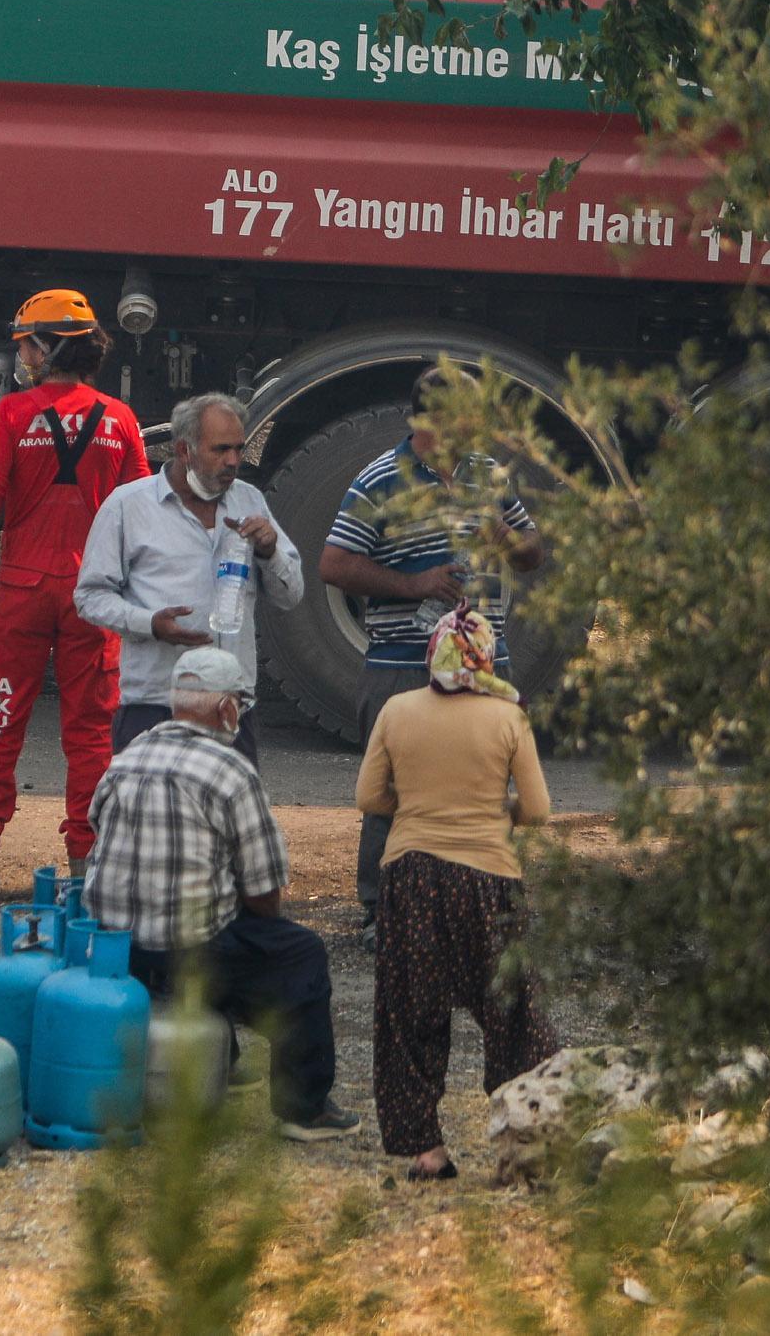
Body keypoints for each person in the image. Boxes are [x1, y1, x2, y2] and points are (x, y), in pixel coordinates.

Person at [87, 646, 361, 1141]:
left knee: (207, 916)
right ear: (228, 709)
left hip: (112, 949)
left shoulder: (126, 760)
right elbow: (263, 892)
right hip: (185, 953)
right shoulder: (230, 771)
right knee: (297, 954)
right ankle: (305, 1109)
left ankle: (224, 1059)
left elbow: (95, 830)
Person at [318, 367, 543, 932]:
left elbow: (533, 551)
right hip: (402, 662)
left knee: (490, 779)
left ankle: (487, 902)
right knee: (391, 787)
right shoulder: (379, 481)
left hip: (485, 663)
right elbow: (334, 565)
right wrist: (413, 585)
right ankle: (381, 910)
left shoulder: (489, 475)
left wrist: (510, 542)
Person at [0, 289, 150, 898]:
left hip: (21, 591)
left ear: (52, 345)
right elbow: (140, 507)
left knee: (0, 717)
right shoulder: (119, 418)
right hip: (94, 596)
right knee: (91, 729)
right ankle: (88, 863)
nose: (24, 354)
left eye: (29, 342)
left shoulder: (12, 414)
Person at [356, 606, 558, 1180]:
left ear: (433, 654)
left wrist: (422, 807)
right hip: (488, 879)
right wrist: (492, 810)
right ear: (486, 657)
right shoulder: (508, 718)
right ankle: (519, 1146)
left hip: (410, 876)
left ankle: (426, 1150)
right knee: (513, 1012)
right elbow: (539, 812)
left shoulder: (396, 711)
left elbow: (370, 798)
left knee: (409, 1012)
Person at [75, 391, 304, 765]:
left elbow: (291, 595)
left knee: (228, 821)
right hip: (155, 704)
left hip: (230, 707)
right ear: (184, 451)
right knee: (150, 820)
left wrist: (270, 551)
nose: (233, 461)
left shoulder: (249, 501)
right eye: (220, 450)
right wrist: (150, 623)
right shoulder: (128, 505)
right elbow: (89, 597)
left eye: (239, 449)